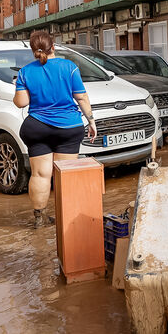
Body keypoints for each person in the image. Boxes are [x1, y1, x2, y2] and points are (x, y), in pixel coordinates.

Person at [15, 31, 97, 228]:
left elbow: (21, 103)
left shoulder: (25, 72)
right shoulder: (69, 67)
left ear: (33, 50)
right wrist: (91, 121)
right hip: (68, 127)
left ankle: (40, 218)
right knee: (64, 174)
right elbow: (82, 97)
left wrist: (19, 89)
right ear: (53, 47)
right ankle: (66, 219)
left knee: (40, 175)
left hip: (37, 127)